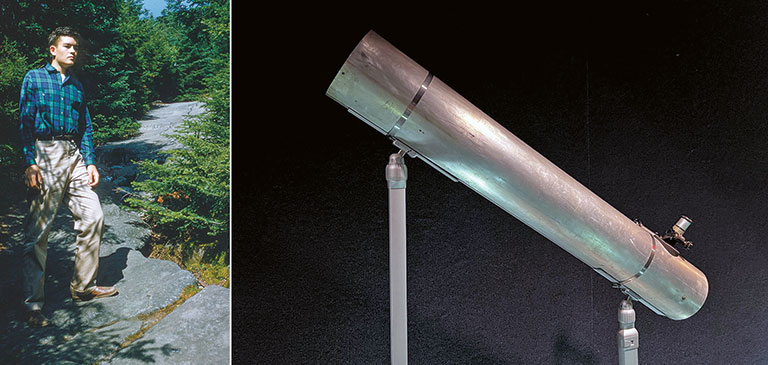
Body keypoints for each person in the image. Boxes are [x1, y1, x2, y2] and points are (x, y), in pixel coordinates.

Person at [19, 27, 117, 328]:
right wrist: (29, 162)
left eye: (75, 46)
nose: (73, 50)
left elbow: (85, 126)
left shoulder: (76, 85)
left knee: (93, 215)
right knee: (39, 232)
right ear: (53, 50)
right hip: (45, 152)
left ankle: (83, 287)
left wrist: (89, 161)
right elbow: (23, 122)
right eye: (67, 46)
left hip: (74, 154)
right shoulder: (34, 78)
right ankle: (33, 304)